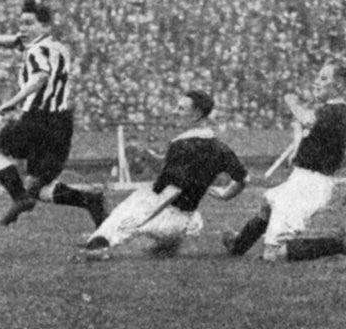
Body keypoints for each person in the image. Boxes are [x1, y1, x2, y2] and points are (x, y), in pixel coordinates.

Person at [0, 0, 107, 228]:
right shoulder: (57, 47)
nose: (23, 28)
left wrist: (14, 100)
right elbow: (14, 41)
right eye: (21, 23)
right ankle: (91, 201)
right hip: (61, 125)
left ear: (45, 26)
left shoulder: (36, 51)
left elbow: (40, 77)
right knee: (40, 187)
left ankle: (19, 198)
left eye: (29, 23)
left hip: (37, 120)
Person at [83, 89, 248, 260]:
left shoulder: (180, 145)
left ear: (197, 114)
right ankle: (175, 239)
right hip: (186, 220)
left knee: (135, 203)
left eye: (181, 109)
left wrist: (122, 232)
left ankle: (100, 244)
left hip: (164, 218)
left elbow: (169, 191)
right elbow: (243, 179)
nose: (175, 112)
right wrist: (225, 195)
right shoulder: (221, 147)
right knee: (164, 239)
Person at [223, 60, 346, 262]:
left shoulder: (337, 110)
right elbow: (307, 128)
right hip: (305, 179)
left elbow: (307, 119)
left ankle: (339, 244)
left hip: (309, 184)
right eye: (317, 76)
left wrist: (291, 102)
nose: (317, 82)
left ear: (339, 85)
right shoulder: (329, 111)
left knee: (273, 255)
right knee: (267, 204)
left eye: (324, 78)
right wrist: (297, 150)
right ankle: (238, 245)